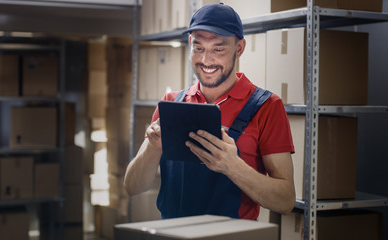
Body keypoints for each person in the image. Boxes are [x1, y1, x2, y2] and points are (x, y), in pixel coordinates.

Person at [124, 3, 295, 220]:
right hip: (173, 235)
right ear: (190, 44)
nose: (206, 60)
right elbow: (132, 187)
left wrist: (233, 167)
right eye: (199, 48)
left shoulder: (267, 107)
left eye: (218, 49)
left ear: (239, 48)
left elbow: (286, 201)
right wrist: (153, 147)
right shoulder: (171, 104)